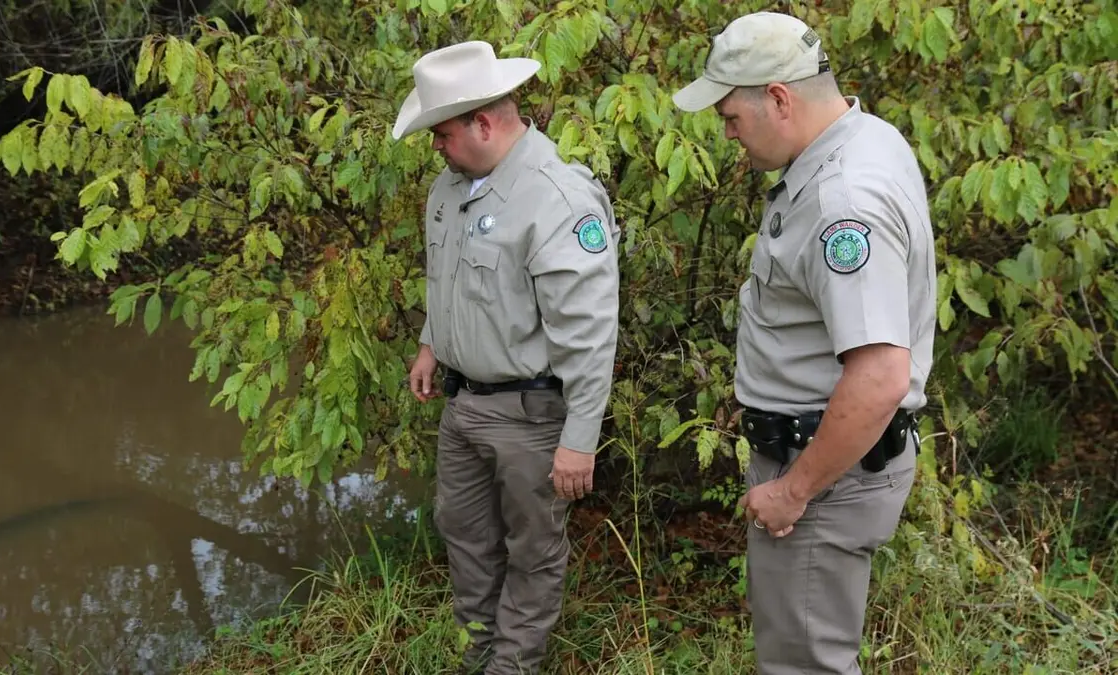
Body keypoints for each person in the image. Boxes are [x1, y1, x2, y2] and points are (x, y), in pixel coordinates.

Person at [671, 11, 936, 674]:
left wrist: (795, 490)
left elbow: (880, 376)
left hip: (821, 477)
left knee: (804, 666)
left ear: (780, 99)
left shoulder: (840, 199)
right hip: (822, 458)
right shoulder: (864, 136)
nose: (727, 132)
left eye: (731, 116)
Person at [392, 40, 621, 675]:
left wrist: (579, 440)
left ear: (484, 123)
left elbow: (590, 334)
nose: (435, 147)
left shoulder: (558, 199)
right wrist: (431, 344)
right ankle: (479, 650)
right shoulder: (449, 187)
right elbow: (447, 278)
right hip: (463, 405)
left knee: (533, 547)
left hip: (530, 412)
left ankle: (512, 666)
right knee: (462, 532)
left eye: (440, 134)